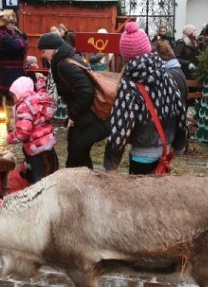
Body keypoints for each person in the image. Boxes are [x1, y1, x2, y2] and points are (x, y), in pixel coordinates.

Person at [104, 22, 187, 175]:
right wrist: (179, 144)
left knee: (139, 199)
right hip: (165, 150)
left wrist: (111, 163)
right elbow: (180, 110)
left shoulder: (129, 84)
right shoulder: (166, 74)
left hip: (141, 157)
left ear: (126, 55)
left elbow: (120, 127)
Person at [39, 31, 109, 169]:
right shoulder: (67, 58)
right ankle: (84, 185)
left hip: (88, 117)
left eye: (43, 51)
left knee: (76, 158)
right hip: (85, 116)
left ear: (53, 49)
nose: (42, 55)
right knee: (79, 155)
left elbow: (86, 91)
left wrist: (73, 114)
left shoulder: (65, 65)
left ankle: (79, 187)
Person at [7, 76, 57, 184]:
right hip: (47, 143)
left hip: (35, 147)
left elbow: (23, 132)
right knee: (46, 168)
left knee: (37, 174)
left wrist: (10, 138)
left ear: (20, 93)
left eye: (14, 95)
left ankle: (38, 192)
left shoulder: (24, 106)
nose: (13, 99)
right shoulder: (39, 100)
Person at [0, 9, 28, 108]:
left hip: (17, 71)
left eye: (13, 23)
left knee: (19, 96)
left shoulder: (12, 33)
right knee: (11, 97)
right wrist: (22, 41)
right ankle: (10, 120)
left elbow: (23, 44)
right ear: (5, 23)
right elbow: (14, 46)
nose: (13, 25)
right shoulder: (0, 34)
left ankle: (18, 119)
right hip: (9, 72)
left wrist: (22, 41)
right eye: (11, 23)